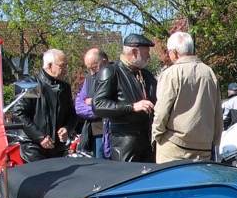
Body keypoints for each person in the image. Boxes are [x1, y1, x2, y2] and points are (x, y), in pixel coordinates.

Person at [151, 31, 221, 163]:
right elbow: (217, 112)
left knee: (172, 183)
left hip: (173, 146)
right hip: (203, 146)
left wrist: (156, 135)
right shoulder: (209, 73)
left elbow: (161, 111)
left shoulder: (171, 73)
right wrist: (215, 141)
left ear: (174, 53)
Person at [93, 33, 157, 162]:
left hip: (147, 139)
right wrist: (131, 107)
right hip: (124, 141)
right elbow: (98, 105)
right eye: (146, 53)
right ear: (134, 52)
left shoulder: (146, 74)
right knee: (130, 179)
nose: (148, 56)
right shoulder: (111, 72)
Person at [12, 48, 78, 163]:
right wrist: (39, 136)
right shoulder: (30, 84)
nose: (65, 69)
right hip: (33, 146)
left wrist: (67, 128)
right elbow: (18, 113)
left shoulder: (65, 87)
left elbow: (72, 114)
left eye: (66, 66)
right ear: (50, 65)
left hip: (57, 147)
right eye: (62, 66)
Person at [75, 47, 110, 158]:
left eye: (94, 68)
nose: (92, 73)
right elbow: (79, 106)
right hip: (96, 135)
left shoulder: (117, 74)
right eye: (89, 69)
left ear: (105, 61)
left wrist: (93, 102)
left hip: (114, 134)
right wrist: (100, 110)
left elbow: (116, 103)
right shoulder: (89, 78)